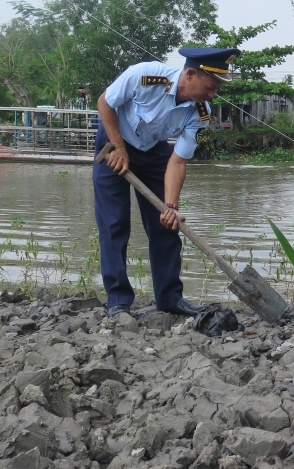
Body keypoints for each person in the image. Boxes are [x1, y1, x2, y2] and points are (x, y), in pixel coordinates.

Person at [93, 47, 240, 317]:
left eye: (216, 90)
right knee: (114, 223)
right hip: (114, 142)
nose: (212, 95)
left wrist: (170, 206)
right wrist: (118, 147)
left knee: (167, 224)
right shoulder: (144, 76)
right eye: (209, 88)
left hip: (153, 149)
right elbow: (105, 102)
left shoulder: (200, 113)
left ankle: (170, 298)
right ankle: (118, 300)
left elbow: (178, 161)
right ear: (190, 74)